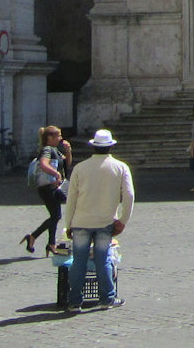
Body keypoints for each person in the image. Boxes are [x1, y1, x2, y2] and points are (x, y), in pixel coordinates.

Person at [63, 129, 134, 311]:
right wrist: (123, 220)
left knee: (78, 261)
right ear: (111, 146)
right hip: (105, 222)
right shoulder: (120, 167)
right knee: (103, 260)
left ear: (93, 146)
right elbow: (129, 195)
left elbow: (71, 198)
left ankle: (74, 301)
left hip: (81, 221)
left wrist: (68, 224)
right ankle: (107, 298)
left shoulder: (80, 168)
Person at [21, 125, 70, 254]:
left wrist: (68, 151)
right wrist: (56, 174)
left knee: (55, 216)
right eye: (58, 135)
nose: (61, 138)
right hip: (47, 187)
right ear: (50, 138)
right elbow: (43, 164)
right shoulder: (47, 150)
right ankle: (44, 241)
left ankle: (45, 241)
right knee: (55, 216)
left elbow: (66, 164)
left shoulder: (55, 150)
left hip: (53, 187)